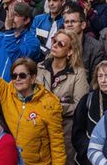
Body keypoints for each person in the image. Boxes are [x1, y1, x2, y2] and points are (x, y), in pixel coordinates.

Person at [0, 35, 67, 164]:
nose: (17, 79)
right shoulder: (6, 91)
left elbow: (57, 145)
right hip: (9, 159)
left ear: (33, 78)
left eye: (22, 75)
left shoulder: (50, 103)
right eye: (14, 75)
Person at [37, 27, 90, 161]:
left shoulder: (78, 73)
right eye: (54, 41)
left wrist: (53, 107)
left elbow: (79, 105)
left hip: (64, 129)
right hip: (39, 126)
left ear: (70, 51)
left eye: (61, 44)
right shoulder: (40, 67)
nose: (54, 45)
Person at [73, 60, 107, 165]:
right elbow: (77, 132)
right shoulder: (87, 99)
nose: (103, 80)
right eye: (100, 76)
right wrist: (89, 151)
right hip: (87, 158)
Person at [0, 1, 41, 81]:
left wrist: (8, 32)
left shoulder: (33, 42)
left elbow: (17, 60)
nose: (10, 18)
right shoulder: (0, 36)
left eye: (15, 15)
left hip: (15, 90)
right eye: (9, 14)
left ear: (26, 20)